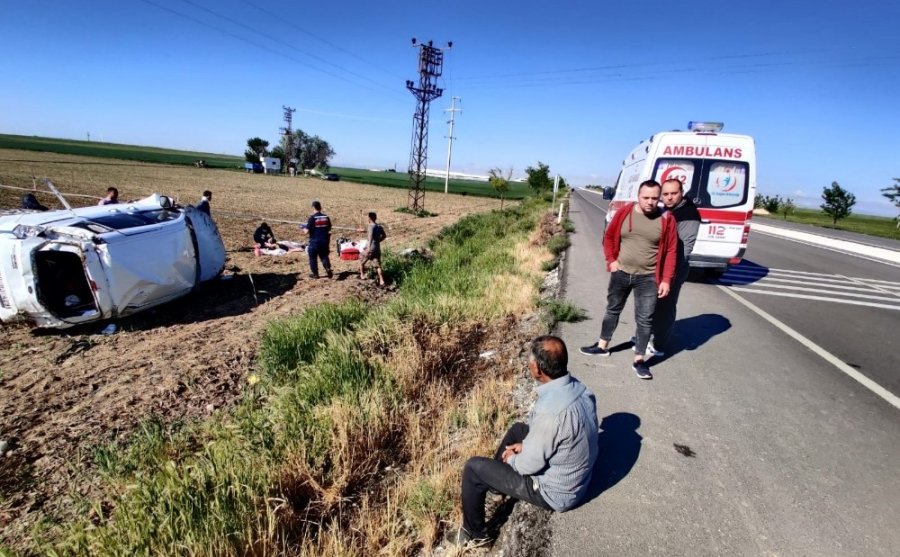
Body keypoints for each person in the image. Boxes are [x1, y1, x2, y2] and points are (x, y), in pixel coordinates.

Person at [445, 336, 599, 547]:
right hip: (578, 476)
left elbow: (529, 465)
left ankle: (475, 535)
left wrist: (512, 459)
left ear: (537, 369)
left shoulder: (549, 411)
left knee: (473, 468)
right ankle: (497, 487)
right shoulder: (580, 389)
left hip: (557, 493)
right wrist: (527, 445)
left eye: (529, 360)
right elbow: (559, 434)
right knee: (519, 430)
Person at [579, 179, 677, 380]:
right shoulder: (625, 213)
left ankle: (639, 360)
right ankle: (602, 346)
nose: (650, 202)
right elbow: (609, 237)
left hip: (648, 278)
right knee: (612, 309)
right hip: (621, 272)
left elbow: (671, 251)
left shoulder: (667, 219)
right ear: (638, 196)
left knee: (644, 319)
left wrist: (666, 279)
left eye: (654, 198)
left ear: (659, 199)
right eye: (645, 197)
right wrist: (612, 261)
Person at [649, 178, 701, 353]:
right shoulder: (666, 210)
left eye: (674, 193)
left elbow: (685, 248)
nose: (669, 197)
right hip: (658, 267)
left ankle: (659, 345)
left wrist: (669, 275)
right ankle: (649, 337)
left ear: (682, 192)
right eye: (665, 194)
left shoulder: (688, 214)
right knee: (653, 305)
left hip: (674, 269)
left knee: (665, 307)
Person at [302, 200, 333, 279]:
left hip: (314, 241)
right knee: (324, 256)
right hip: (324, 241)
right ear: (320, 207)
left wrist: (303, 228)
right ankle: (328, 268)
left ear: (313, 207)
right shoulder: (326, 217)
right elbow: (329, 228)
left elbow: (306, 231)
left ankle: (315, 274)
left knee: (312, 257)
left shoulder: (312, 218)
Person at [359, 212, 386, 286]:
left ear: (370, 218)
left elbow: (370, 236)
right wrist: (378, 241)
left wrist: (368, 248)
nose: (367, 219)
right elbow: (384, 236)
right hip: (377, 248)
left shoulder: (370, 226)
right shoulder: (379, 226)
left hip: (371, 248)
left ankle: (362, 275)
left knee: (361, 259)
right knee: (378, 265)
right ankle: (381, 280)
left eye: (368, 217)